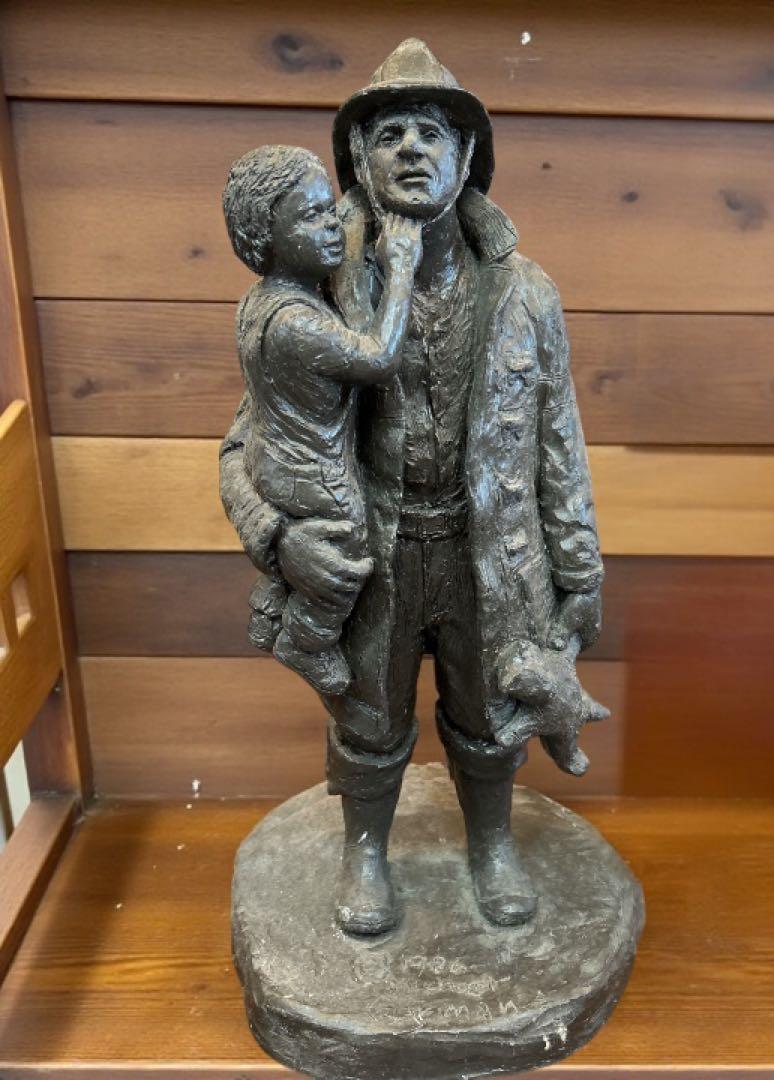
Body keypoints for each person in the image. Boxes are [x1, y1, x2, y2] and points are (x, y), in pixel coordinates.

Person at [220, 40, 604, 936]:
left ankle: (491, 844)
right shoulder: (315, 293)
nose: (411, 150)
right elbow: (245, 444)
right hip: (373, 553)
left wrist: (581, 571)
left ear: (467, 157)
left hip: (490, 556)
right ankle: (365, 851)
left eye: (432, 132)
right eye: (388, 134)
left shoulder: (526, 294)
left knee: (489, 708)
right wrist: (278, 537)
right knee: (369, 712)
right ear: (357, 160)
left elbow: (560, 444)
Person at [221, 145, 421, 694]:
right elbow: (379, 356)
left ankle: (275, 601)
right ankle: (306, 639)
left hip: (271, 458)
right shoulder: (296, 324)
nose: (334, 225)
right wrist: (401, 269)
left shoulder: (257, 303)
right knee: (347, 550)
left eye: (331, 209)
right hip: (312, 471)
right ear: (266, 238)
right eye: (311, 217)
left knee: (323, 550)